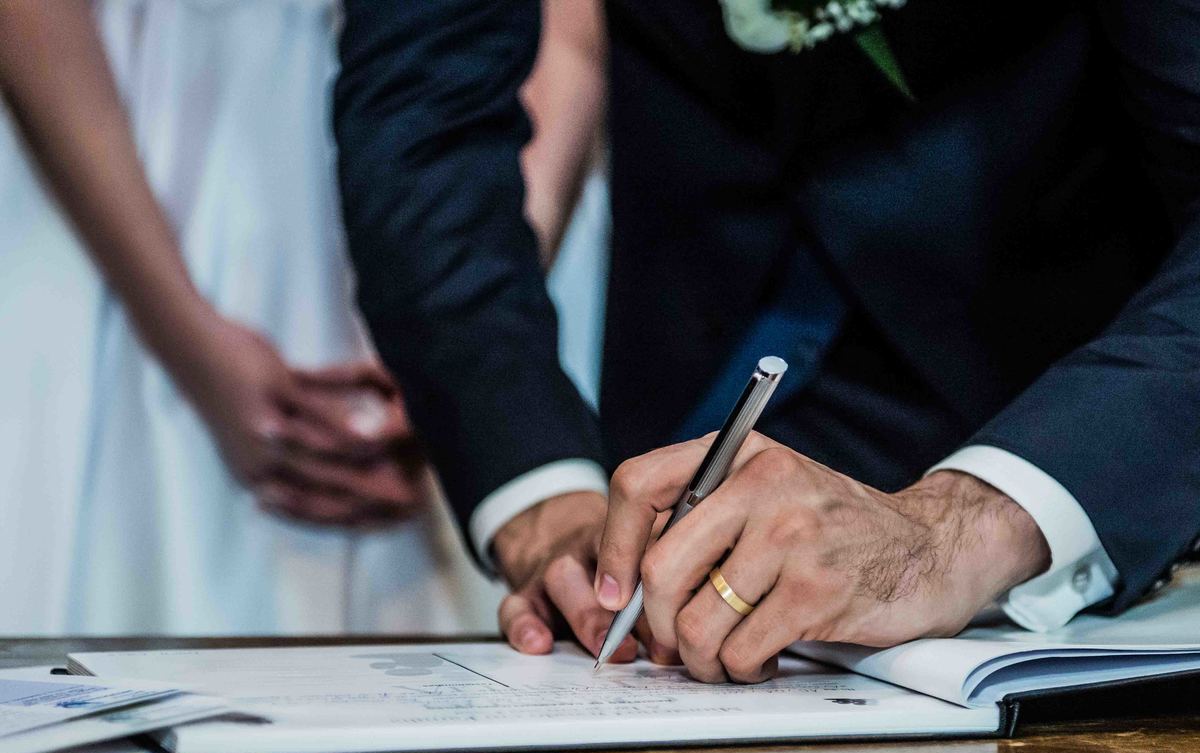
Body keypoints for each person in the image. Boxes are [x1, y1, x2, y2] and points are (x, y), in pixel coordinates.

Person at [336, 0, 1200, 682]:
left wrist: (971, 525)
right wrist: (541, 494)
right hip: (688, 372)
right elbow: (427, 120)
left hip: (1081, 402)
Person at [0, 0, 498, 634]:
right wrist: (188, 342)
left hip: (441, 142)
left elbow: (573, 31)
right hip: (129, 153)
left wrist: (468, 337)